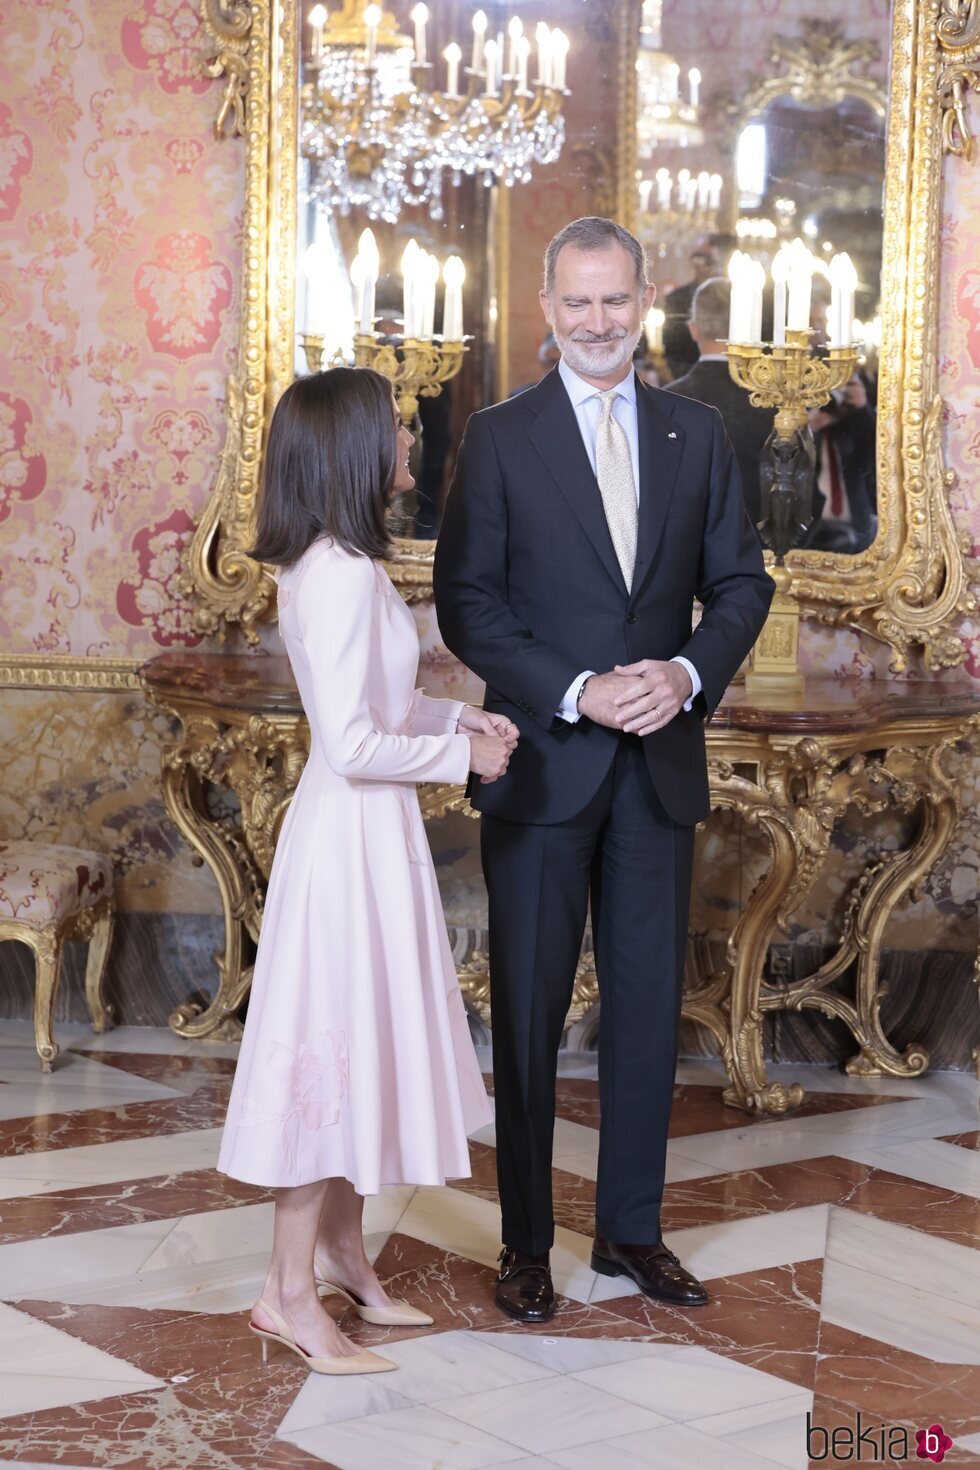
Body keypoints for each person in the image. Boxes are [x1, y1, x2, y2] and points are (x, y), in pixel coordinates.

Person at [434, 217, 773, 1325]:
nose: (595, 322)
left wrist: (681, 673)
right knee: (528, 1013)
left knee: (643, 1012)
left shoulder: (697, 431)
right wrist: (577, 690)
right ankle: (524, 1244)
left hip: (658, 766)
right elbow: (467, 603)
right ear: (547, 309)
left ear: (646, 303)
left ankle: (631, 1231)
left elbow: (739, 586)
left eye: (614, 301)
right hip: (545, 763)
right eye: (575, 303)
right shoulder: (496, 435)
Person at [218, 367, 511, 1375]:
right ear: (345, 450)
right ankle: (285, 1295)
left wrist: (449, 717)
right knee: (327, 1061)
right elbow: (347, 745)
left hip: (362, 838)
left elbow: (372, 709)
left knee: (357, 1050)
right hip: (348, 841)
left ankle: (341, 1253)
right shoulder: (338, 575)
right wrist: (455, 757)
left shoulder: (339, 560)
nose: (407, 445)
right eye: (392, 430)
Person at [666, 277, 775, 530]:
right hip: (763, 553)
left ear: (693, 329)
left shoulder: (667, 402)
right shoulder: (775, 399)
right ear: (747, 328)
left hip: (687, 559)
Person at [661, 235, 722, 380]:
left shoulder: (735, 297)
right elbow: (672, 350)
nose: (704, 264)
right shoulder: (676, 299)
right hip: (687, 379)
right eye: (699, 257)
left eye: (710, 259)